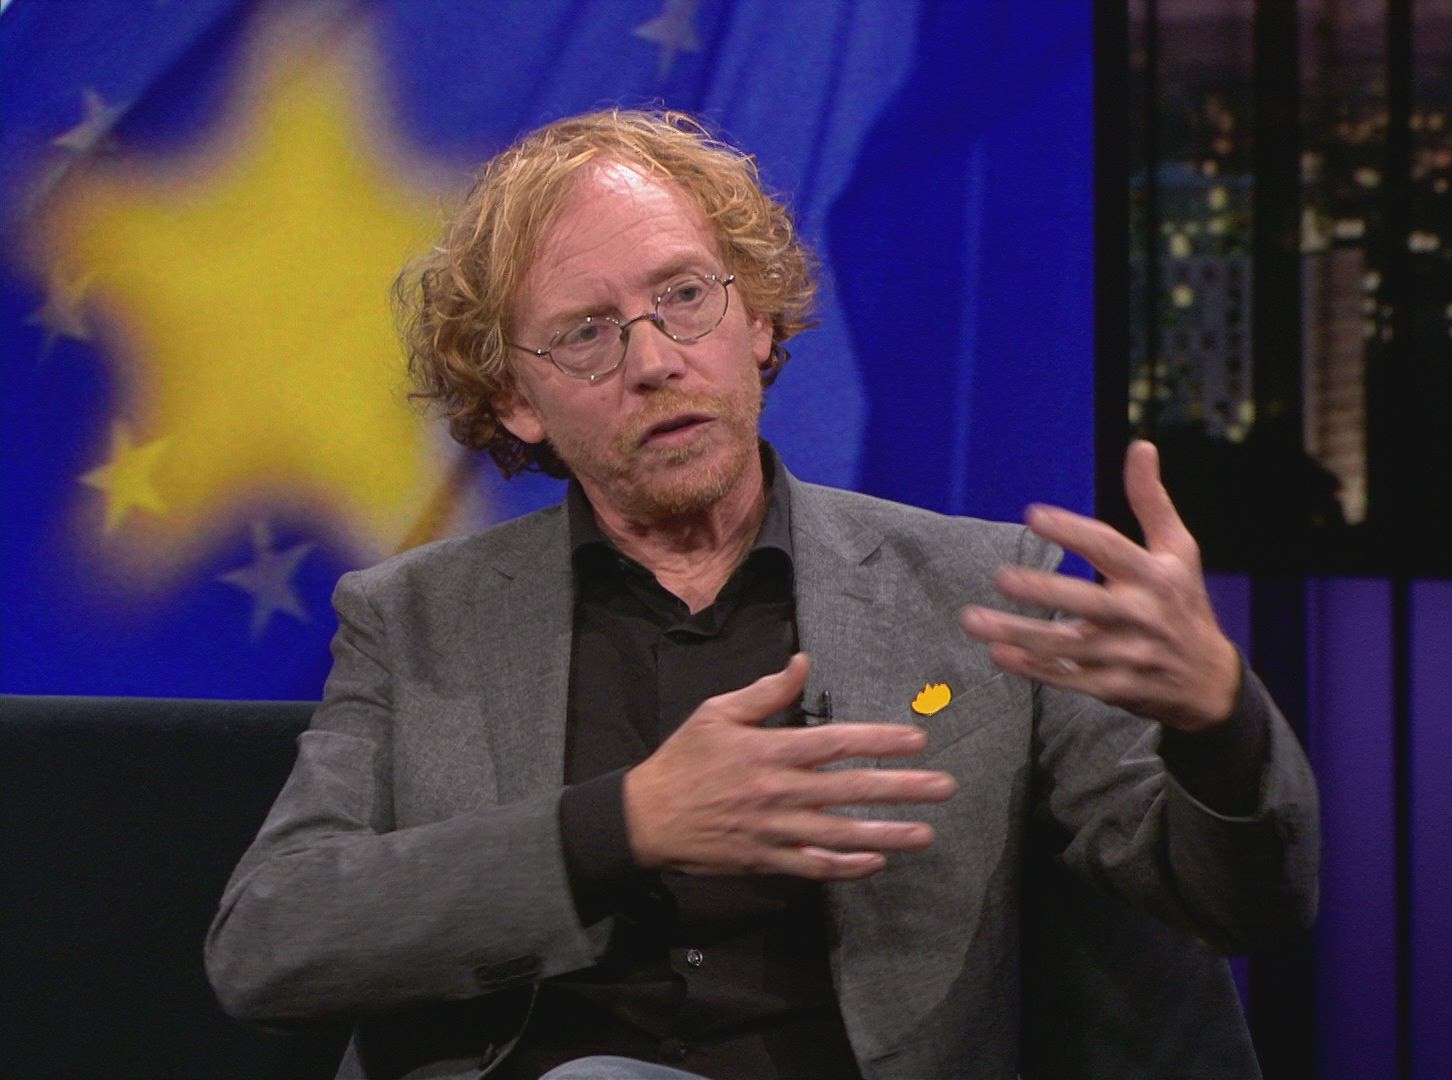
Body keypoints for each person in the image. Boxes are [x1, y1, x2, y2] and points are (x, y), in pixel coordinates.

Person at [206, 108, 1318, 1080]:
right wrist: (623, 826)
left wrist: (1217, 723)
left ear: (760, 320)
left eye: (684, 296)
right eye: (586, 333)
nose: (654, 360)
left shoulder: (979, 593)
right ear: (517, 401)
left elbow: (1246, 905)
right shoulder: (415, 620)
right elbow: (268, 945)